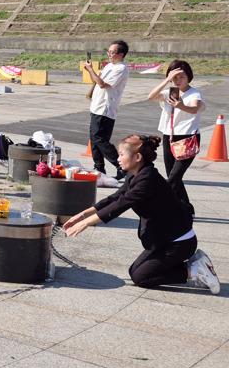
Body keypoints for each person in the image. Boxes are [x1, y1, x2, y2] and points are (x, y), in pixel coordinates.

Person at [63, 135, 219, 294]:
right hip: (164, 238)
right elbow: (115, 198)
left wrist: (85, 224)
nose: (118, 158)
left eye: (122, 154)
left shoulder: (148, 180)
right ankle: (195, 263)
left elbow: (120, 205)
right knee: (135, 271)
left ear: (137, 157)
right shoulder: (135, 174)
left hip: (178, 242)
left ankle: (194, 271)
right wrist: (82, 215)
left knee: (141, 278)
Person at [146, 60, 205, 216]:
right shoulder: (170, 92)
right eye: (174, 77)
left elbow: (194, 109)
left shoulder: (195, 93)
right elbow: (151, 97)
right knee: (172, 174)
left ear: (189, 77)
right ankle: (187, 207)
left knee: (173, 176)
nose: (178, 81)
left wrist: (180, 106)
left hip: (188, 138)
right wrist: (166, 80)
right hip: (169, 137)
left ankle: (161, 207)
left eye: (182, 77)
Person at [83, 40, 130, 180]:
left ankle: (121, 167)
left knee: (101, 139)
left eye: (112, 52)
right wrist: (89, 70)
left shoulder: (121, 69)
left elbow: (103, 84)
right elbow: (97, 81)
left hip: (106, 108)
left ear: (121, 54)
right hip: (97, 106)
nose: (109, 55)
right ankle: (99, 167)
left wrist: (91, 70)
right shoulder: (110, 65)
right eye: (108, 52)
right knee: (94, 139)